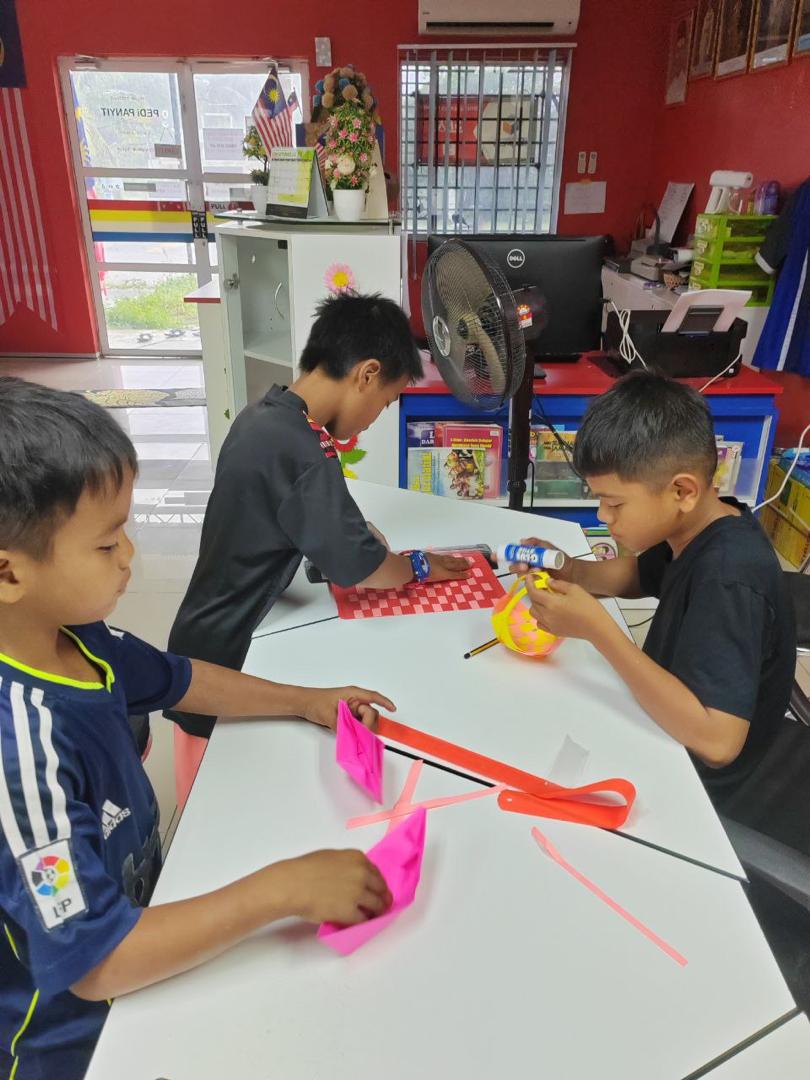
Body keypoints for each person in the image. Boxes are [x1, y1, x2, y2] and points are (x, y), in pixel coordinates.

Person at [0, 377, 395, 1080]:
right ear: (8, 574)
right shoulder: (21, 754)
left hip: (146, 939)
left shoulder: (81, 637)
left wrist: (305, 701)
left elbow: (178, 678)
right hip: (77, 1044)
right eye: (106, 544)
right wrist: (281, 889)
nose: (130, 557)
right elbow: (97, 962)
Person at [166, 293, 468, 757]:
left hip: (200, 637)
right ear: (367, 374)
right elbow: (368, 569)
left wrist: (346, 528)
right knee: (215, 781)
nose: (375, 418)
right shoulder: (304, 450)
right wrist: (419, 566)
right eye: (386, 402)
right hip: (227, 662)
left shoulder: (263, 417)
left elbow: (284, 511)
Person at [518, 371, 795, 822]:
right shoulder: (699, 525)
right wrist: (570, 569)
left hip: (697, 788)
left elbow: (718, 743)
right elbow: (637, 575)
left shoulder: (728, 578)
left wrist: (598, 630)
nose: (603, 515)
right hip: (664, 725)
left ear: (681, 490)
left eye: (615, 503)